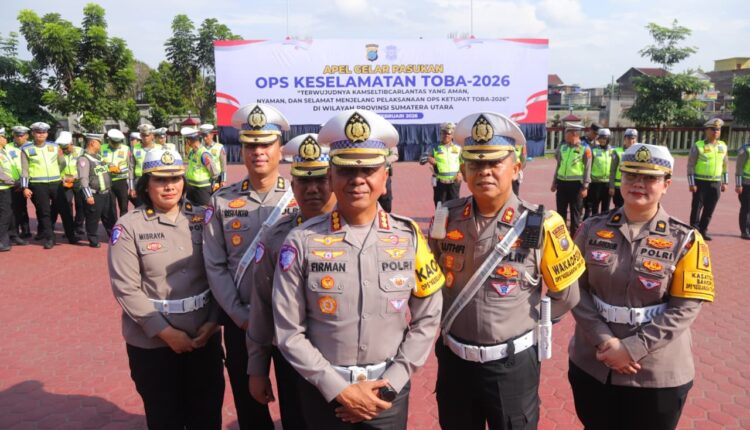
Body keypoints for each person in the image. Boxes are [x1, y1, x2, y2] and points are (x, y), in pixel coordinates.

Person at [272, 109, 443, 429]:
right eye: (347, 169)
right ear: (331, 176)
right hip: (324, 395)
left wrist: (392, 382)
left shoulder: (410, 238)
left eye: (369, 169)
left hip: (387, 395)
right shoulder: (301, 241)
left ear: (385, 177)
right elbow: (289, 331)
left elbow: (428, 317)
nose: (358, 179)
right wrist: (339, 390)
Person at [428, 112, 582, 430]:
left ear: (516, 167)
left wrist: (522, 324)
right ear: (463, 170)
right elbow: (434, 280)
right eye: (475, 163)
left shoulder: (541, 223)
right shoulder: (446, 217)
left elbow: (566, 295)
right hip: (455, 361)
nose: (484, 171)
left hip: (511, 365)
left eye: (495, 162)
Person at [568, 143, 715, 430]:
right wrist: (605, 341)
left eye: (650, 178)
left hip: (655, 371)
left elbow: (684, 309)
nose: (638, 183)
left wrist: (633, 348)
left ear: (666, 184)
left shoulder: (686, 240)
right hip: (594, 361)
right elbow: (574, 288)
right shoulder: (590, 228)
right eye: (631, 175)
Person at [108, 147, 224, 429]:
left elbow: (219, 273)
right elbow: (126, 288)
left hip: (203, 337)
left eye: (175, 178)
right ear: (146, 184)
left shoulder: (203, 219)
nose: (169, 186)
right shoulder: (129, 227)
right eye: (160, 179)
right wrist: (166, 332)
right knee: (164, 418)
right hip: (154, 344)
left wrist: (213, 321)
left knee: (207, 416)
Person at [203, 103, 298, 430]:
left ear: (280, 149)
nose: (258, 152)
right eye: (250, 145)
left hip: (291, 323)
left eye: (266, 144)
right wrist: (240, 315)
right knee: (250, 408)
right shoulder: (222, 201)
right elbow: (215, 265)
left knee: (297, 405)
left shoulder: (300, 198)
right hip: (242, 320)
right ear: (241, 150)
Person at [245, 133, 337, 430]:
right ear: (292, 185)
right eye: (303, 181)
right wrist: (257, 367)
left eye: (321, 179)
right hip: (292, 361)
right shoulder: (275, 238)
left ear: (334, 180)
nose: (312, 189)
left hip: (342, 358)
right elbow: (261, 306)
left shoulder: (357, 231)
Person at [20, 122, 66, 249]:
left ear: (47, 134)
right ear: (33, 133)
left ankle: (71, 234)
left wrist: (58, 173)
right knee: (44, 212)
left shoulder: (55, 146)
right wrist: (25, 187)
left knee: (64, 209)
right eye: (38, 132)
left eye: (43, 132)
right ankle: (50, 237)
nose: (41, 134)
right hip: (38, 184)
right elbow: (24, 170)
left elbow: (62, 163)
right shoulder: (26, 149)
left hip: (55, 182)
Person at [687, 118, 728, 240]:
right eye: (713, 129)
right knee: (697, 207)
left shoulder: (723, 146)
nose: (716, 132)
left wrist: (725, 182)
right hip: (700, 182)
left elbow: (725, 165)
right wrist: (691, 183)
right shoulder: (698, 145)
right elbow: (691, 165)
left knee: (710, 209)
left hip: (716, 182)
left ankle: (703, 230)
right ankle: (694, 231)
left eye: (718, 129)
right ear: (707, 130)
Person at [551, 122, 591, 237]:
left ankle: (575, 239)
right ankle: (561, 238)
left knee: (575, 215)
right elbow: (559, 165)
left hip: (576, 186)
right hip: (562, 184)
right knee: (560, 213)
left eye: (566, 132)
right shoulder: (562, 147)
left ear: (574, 133)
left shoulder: (585, 148)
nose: (564, 135)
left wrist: (585, 186)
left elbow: (587, 168)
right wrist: (554, 182)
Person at [77, 133, 116, 248]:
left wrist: (112, 167)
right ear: (92, 143)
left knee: (109, 217)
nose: (101, 145)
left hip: (106, 193)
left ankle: (113, 236)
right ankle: (93, 240)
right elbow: (83, 178)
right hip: (94, 194)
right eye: (99, 143)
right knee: (93, 218)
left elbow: (105, 168)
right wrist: (88, 195)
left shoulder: (98, 157)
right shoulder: (84, 159)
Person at [52, 131, 84, 243]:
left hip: (78, 180)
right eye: (63, 148)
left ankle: (78, 226)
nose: (65, 150)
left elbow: (84, 167)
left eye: (66, 148)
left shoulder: (80, 151)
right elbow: (55, 167)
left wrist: (75, 177)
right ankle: (69, 228)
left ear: (71, 143)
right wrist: (62, 178)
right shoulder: (57, 152)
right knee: (67, 204)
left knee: (81, 204)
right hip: (64, 181)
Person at [420, 122, 462, 207]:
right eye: (444, 133)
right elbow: (421, 160)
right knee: (440, 207)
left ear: (452, 136)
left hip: (454, 182)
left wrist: (460, 173)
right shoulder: (434, 147)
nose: (446, 136)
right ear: (440, 134)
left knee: (455, 207)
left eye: (448, 134)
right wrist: (428, 158)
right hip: (440, 182)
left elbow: (463, 162)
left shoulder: (458, 148)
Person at [0, 127, 28, 251]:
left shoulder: (6, 150)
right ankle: (2, 240)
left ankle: (13, 235)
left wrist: (19, 182)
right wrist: (14, 182)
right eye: (3, 136)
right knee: (5, 215)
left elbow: (16, 167)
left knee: (14, 212)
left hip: (13, 186)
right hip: (4, 187)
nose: (5, 138)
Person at [183, 127, 220, 206]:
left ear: (189, 141)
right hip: (191, 187)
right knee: (190, 210)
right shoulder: (192, 152)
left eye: (187, 140)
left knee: (204, 210)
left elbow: (214, 172)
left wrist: (213, 184)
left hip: (202, 189)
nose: (186, 143)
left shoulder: (204, 154)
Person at [101, 129, 133, 218]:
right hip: (107, 181)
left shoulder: (126, 149)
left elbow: (130, 166)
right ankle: (113, 225)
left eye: (117, 143)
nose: (115, 145)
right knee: (110, 207)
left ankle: (124, 224)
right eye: (113, 143)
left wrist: (120, 170)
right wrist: (107, 168)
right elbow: (98, 164)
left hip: (121, 180)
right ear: (109, 140)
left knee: (123, 205)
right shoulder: (102, 148)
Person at [585, 128, 613, 218]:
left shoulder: (612, 151)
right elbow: (589, 166)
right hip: (595, 183)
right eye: (600, 138)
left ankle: (603, 224)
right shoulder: (593, 150)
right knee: (595, 206)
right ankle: (594, 223)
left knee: (606, 208)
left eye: (604, 138)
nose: (602, 140)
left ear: (609, 139)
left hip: (607, 183)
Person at [9, 126, 31, 239]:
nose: (19, 137)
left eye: (21, 135)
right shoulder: (8, 147)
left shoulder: (32, 146)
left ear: (26, 136)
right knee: (18, 207)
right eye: (16, 135)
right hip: (16, 182)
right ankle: (19, 231)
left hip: (33, 181)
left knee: (41, 207)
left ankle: (41, 231)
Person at [609, 128, 638, 208]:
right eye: (629, 138)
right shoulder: (617, 151)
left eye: (633, 138)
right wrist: (611, 186)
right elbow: (612, 170)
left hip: (633, 186)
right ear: (625, 139)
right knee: (618, 208)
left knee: (631, 207)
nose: (631, 141)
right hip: (619, 186)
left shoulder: (639, 153)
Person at [201, 124, 227, 192]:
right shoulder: (201, 148)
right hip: (204, 180)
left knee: (215, 196)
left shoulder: (219, 147)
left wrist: (223, 180)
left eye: (206, 136)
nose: (204, 138)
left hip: (216, 179)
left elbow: (223, 165)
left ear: (212, 135)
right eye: (203, 136)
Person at [377, 145, 399, 213]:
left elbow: (395, 155)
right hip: (371, 173)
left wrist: (384, 161)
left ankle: (386, 213)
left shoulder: (390, 142)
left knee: (386, 196)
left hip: (385, 173)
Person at [736, 140, 750, 240]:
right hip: (746, 184)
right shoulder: (745, 149)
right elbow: (739, 168)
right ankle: (744, 231)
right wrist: (738, 184)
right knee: (746, 207)